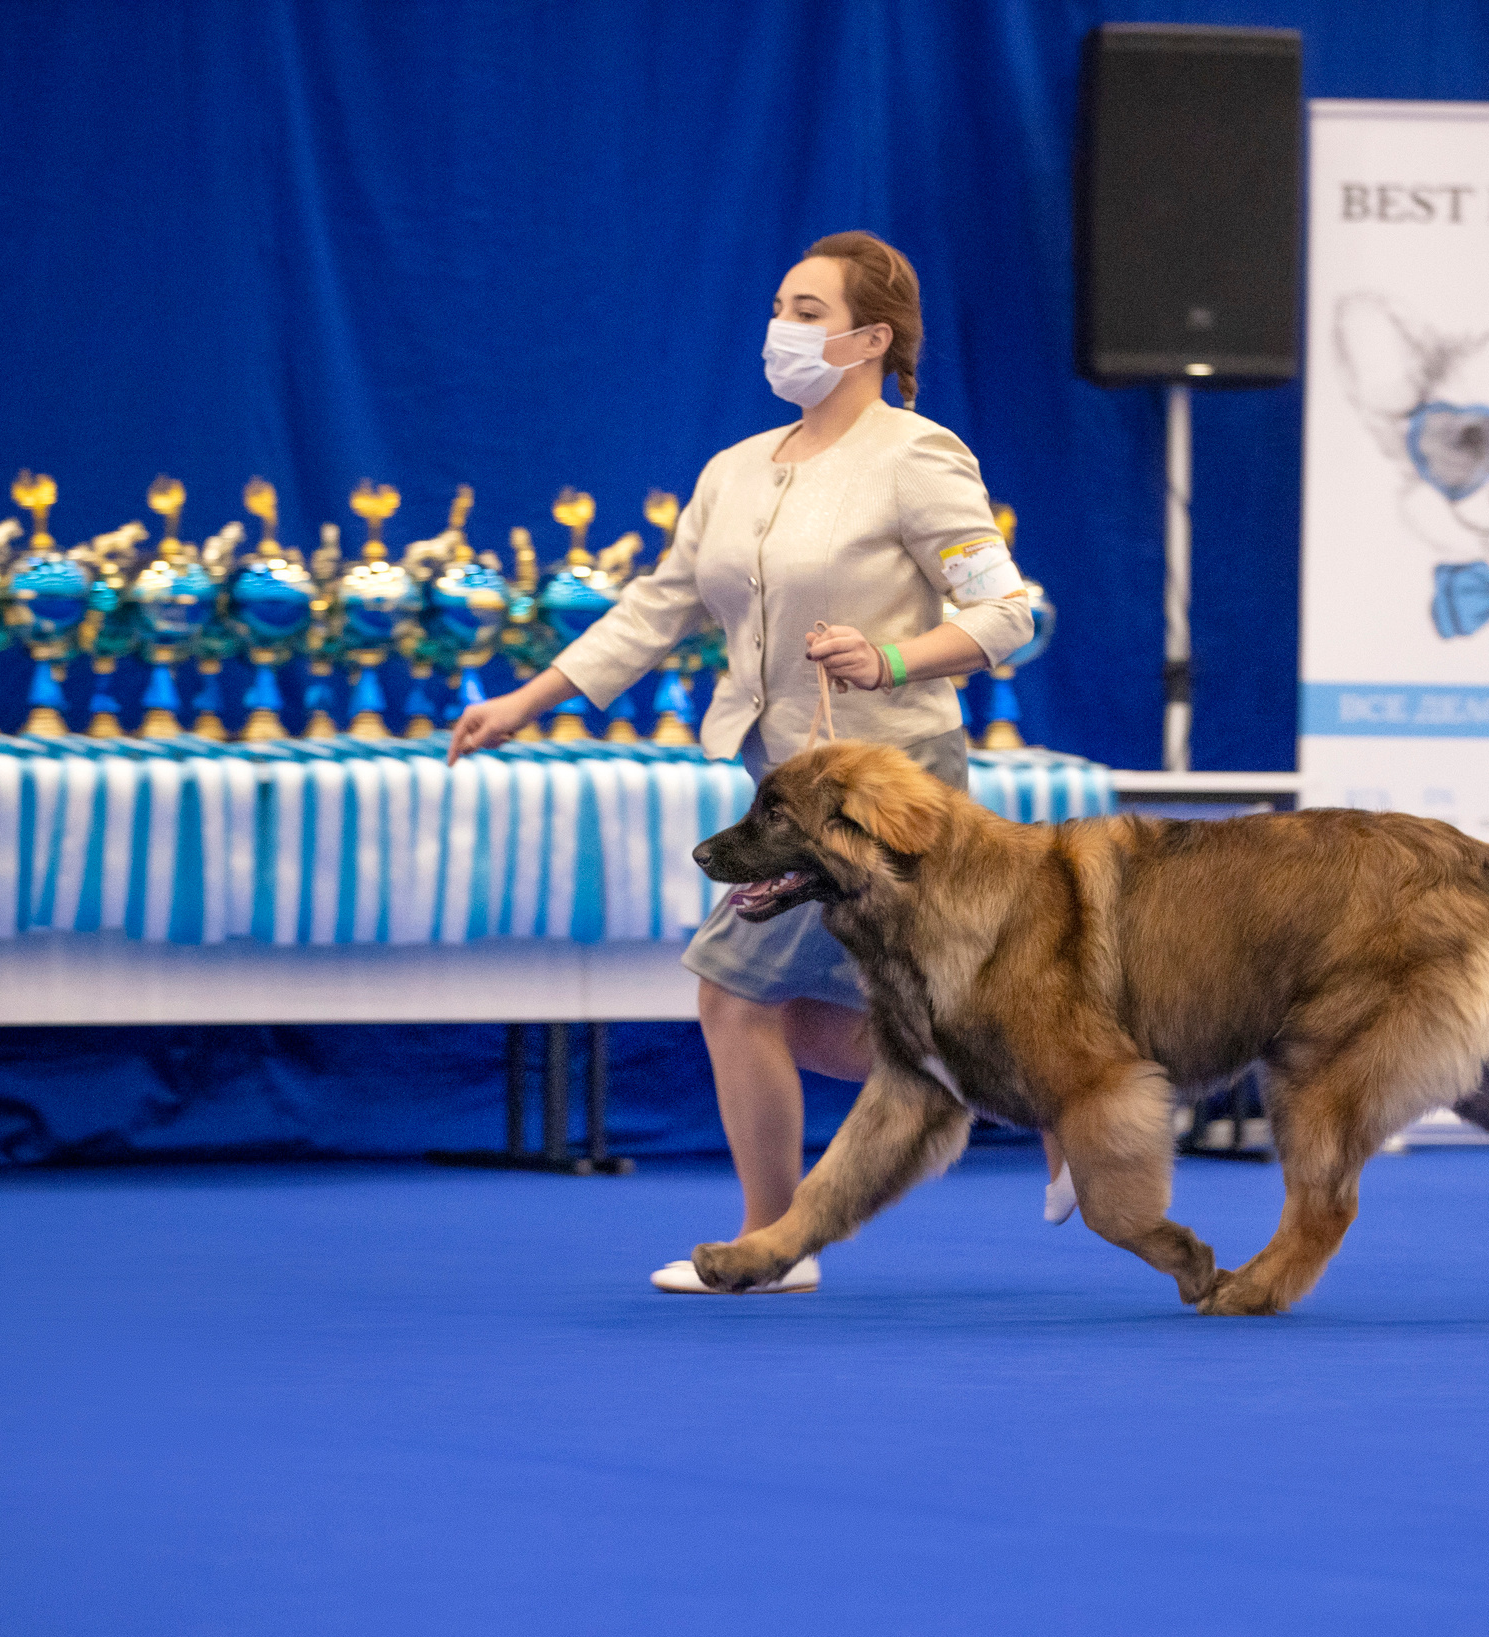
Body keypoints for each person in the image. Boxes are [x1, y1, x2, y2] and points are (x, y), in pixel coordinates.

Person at [449, 231, 1070, 1293]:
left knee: (733, 998)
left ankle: (771, 1246)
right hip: (786, 791)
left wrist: (887, 657)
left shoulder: (918, 457)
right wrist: (526, 701)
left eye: (808, 310)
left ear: (871, 338)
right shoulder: (734, 471)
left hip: (890, 797)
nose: (782, 328)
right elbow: (659, 607)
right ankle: (1049, 1082)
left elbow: (1011, 614)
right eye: (780, 306)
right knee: (838, 1029)